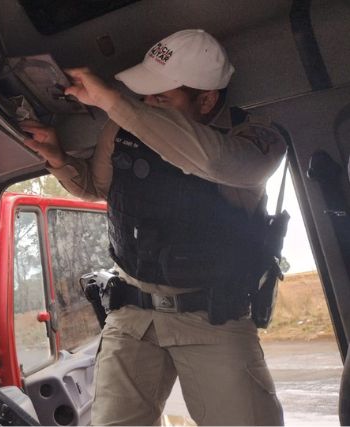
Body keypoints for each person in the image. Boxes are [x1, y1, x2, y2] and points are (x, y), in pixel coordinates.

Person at [21, 29, 286, 426]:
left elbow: (215, 163)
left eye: (161, 97)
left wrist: (113, 102)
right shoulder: (125, 128)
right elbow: (98, 188)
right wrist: (58, 157)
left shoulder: (254, 139)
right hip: (133, 313)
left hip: (212, 316)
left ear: (208, 99)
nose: (146, 105)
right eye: (145, 95)